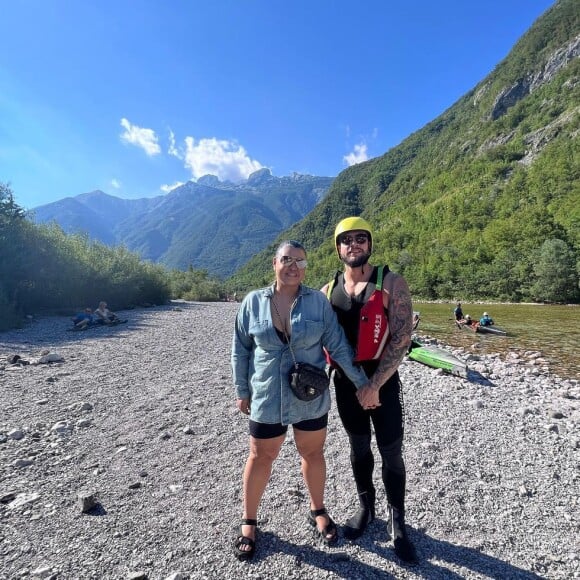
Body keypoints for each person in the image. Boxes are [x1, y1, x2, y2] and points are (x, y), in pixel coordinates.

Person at [231, 240, 370, 562]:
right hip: (266, 394)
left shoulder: (317, 304)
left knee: (312, 451)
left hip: (309, 394)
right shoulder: (253, 302)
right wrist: (242, 390)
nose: (294, 266)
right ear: (274, 263)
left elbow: (337, 345)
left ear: (306, 267)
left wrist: (363, 383)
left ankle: (317, 510)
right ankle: (249, 522)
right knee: (261, 456)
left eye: (301, 262)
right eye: (287, 259)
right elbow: (241, 349)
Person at [321, 216, 417, 564]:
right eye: (346, 240)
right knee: (358, 448)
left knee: (391, 452)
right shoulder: (328, 291)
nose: (354, 245)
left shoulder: (391, 282)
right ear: (338, 248)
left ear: (370, 244)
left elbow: (402, 336)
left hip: (384, 385)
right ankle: (367, 508)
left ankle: (398, 522)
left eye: (361, 239)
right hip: (346, 386)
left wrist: (374, 384)